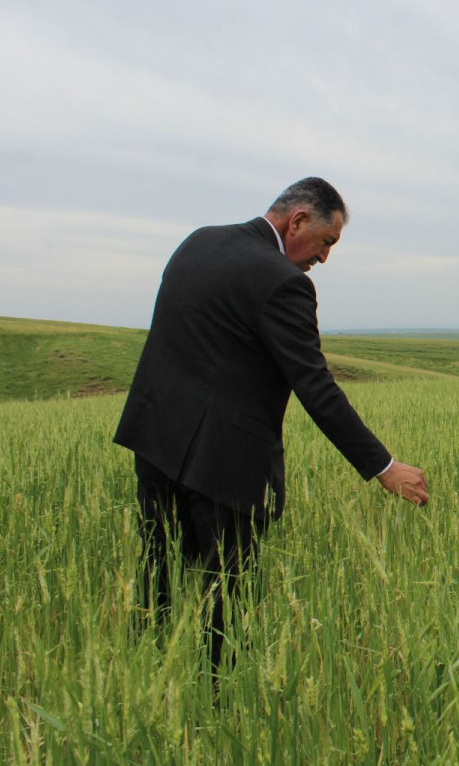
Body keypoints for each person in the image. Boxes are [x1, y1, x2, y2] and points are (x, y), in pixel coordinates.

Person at [114, 177, 429, 673]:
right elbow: (317, 389)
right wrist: (384, 467)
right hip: (226, 472)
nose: (324, 259)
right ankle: (217, 709)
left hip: (155, 445)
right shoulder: (283, 282)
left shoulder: (197, 242)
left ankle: (146, 692)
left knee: (159, 581)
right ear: (298, 220)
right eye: (327, 242)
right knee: (225, 610)